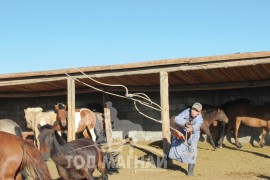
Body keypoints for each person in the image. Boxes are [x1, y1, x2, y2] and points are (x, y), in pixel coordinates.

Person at [168, 102, 204, 176]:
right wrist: (185, 123)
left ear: (199, 112)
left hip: (193, 136)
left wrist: (192, 128)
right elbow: (177, 118)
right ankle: (175, 160)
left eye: (196, 110)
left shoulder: (200, 119)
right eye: (193, 109)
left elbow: (196, 126)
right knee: (176, 147)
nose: (193, 111)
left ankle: (190, 172)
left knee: (193, 151)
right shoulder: (187, 111)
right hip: (182, 131)